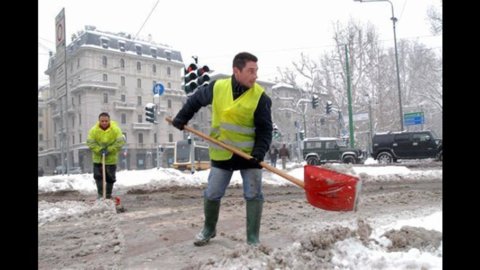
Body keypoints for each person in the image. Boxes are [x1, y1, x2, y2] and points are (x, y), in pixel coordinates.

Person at [172, 52, 272, 246]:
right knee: (212, 193)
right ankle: (209, 229)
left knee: (253, 194)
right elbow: (195, 100)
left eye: (256, 71)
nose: (255, 75)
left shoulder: (260, 97)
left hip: (249, 155)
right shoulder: (218, 88)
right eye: (251, 71)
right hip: (222, 151)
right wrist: (182, 118)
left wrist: (259, 153)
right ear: (236, 70)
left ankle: (253, 238)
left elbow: (265, 130)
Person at [86, 112, 125, 199]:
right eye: (102, 121)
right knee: (98, 176)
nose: (104, 123)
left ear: (109, 121)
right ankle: (100, 194)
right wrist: (99, 150)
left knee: (110, 178)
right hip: (98, 159)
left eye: (106, 121)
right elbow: (90, 142)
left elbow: (120, 142)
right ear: (99, 121)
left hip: (111, 159)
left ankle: (107, 195)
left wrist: (109, 149)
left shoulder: (115, 130)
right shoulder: (93, 130)